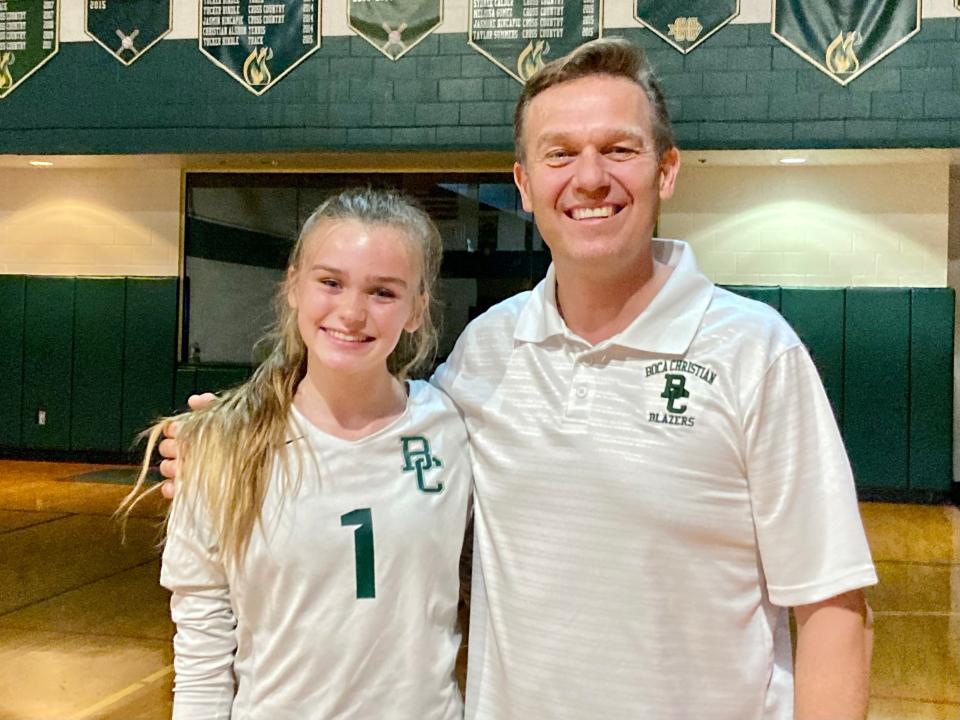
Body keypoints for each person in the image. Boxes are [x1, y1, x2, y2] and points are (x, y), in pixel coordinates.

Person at [161, 39, 877, 720]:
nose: (590, 177)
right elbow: (357, 412)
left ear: (665, 169)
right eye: (560, 154)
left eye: (619, 149)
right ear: (526, 186)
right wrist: (227, 437)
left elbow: (832, 604)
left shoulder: (756, 352)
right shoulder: (488, 353)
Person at [127, 188, 471, 719]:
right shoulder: (223, 445)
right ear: (293, 285)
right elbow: (202, 646)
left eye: (383, 292)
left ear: (416, 309)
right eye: (331, 282)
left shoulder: (451, 429)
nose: (352, 312)